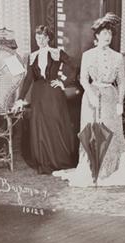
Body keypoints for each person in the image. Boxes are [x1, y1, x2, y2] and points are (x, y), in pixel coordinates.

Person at [53, 13, 125, 187]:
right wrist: (91, 94)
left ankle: (110, 170)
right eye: (104, 33)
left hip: (110, 97)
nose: (108, 36)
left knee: (110, 131)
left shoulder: (118, 57)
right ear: (97, 35)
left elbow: (122, 82)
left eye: (110, 33)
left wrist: (120, 102)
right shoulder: (88, 55)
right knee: (92, 131)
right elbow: (83, 78)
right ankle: (93, 169)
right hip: (91, 98)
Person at [11, 26, 77, 174]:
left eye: (42, 37)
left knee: (55, 124)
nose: (39, 40)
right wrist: (20, 98)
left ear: (48, 38)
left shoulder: (57, 52)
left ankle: (58, 160)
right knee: (40, 127)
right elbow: (28, 79)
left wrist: (63, 82)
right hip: (38, 94)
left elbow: (74, 66)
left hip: (53, 94)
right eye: (37, 37)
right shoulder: (32, 56)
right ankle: (44, 161)